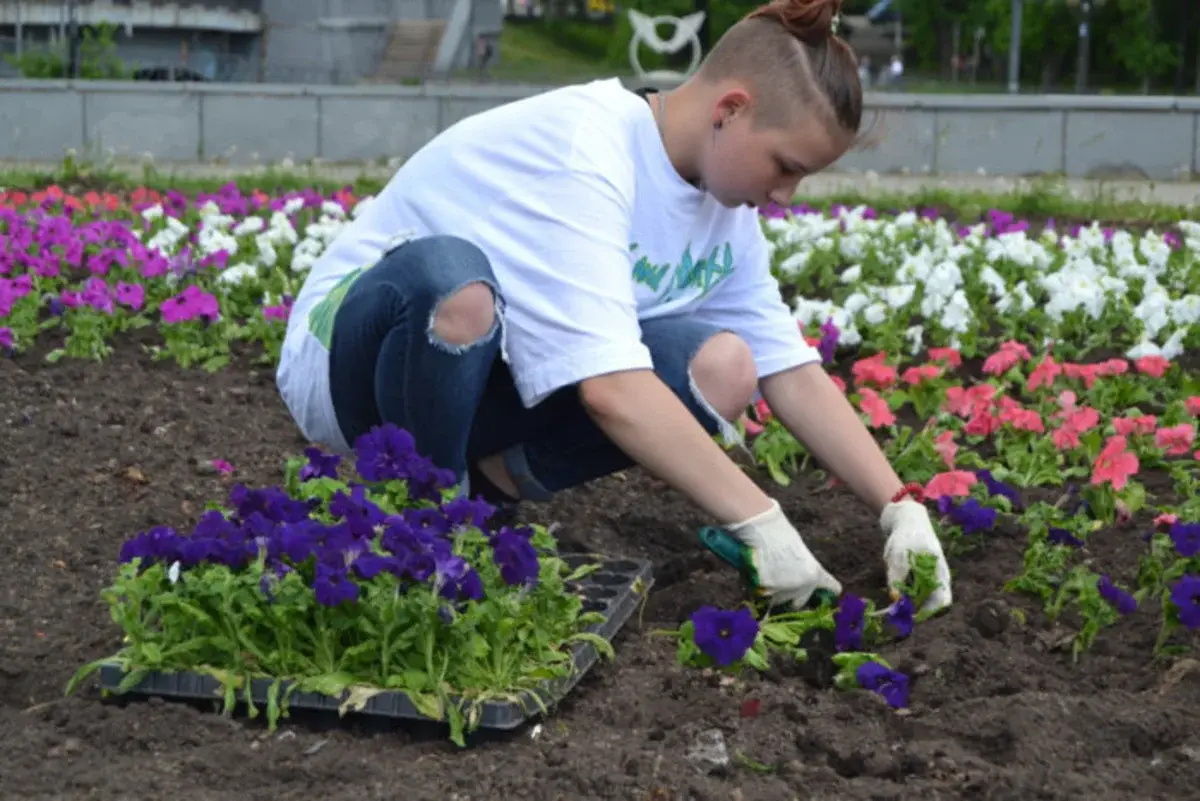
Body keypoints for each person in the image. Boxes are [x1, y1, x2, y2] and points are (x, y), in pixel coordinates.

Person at [276, 0, 952, 614]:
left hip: (469, 381)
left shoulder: (722, 211)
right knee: (458, 286)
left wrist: (898, 506)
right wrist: (760, 522)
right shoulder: (589, 149)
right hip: (356, 364)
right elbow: (610, 391)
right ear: (731, 109)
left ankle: (482, 498)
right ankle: (427, 532)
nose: (787, 195)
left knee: (723, 367)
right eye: (784, 166)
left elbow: (789, 369)